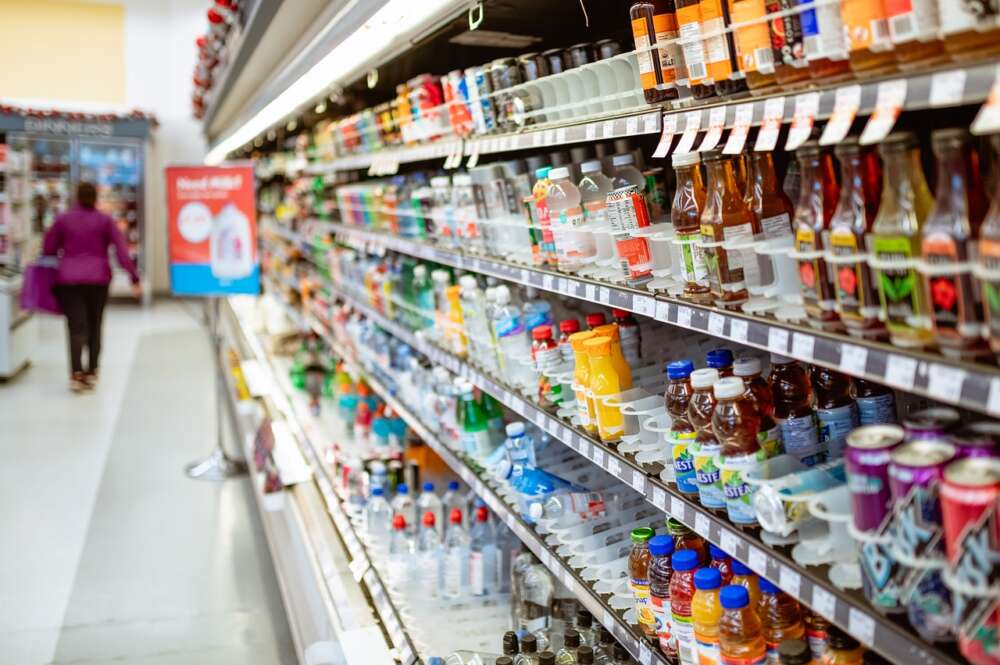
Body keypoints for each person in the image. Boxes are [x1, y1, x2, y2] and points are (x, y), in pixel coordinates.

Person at [42, 182, 141, 392]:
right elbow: (122, 251)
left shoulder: (63, 219)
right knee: (95, 325)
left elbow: (49, 247)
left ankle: (76, 374)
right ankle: (92, 371)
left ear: (76, 196)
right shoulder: (104, 220)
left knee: (76, 326)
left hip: (68, 280)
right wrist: (134, 278)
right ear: (95, 197)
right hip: (98, 279)